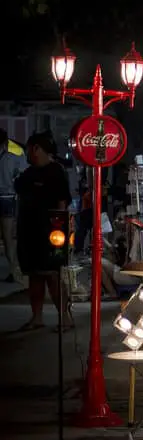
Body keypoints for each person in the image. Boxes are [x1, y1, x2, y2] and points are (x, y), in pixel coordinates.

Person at [13, 132, 73, 332]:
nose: (27, 154)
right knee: (34, 276)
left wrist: (60, 232)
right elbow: (18, 189)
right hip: (29, 232)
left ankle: (65, 317)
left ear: (36, 149)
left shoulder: (56, 172)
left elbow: (62, 203)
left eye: (29, 149)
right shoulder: (29, 173)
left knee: (52, 276)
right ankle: (36, 317)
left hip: (50, 233)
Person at [0, 129, 28, 284]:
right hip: (7, 198)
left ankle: (13, 270)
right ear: (5, 143)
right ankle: (13, 270)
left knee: (7, 237)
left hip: (6, 197)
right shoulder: (13, 157)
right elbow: (23, 175)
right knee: (8, 237)